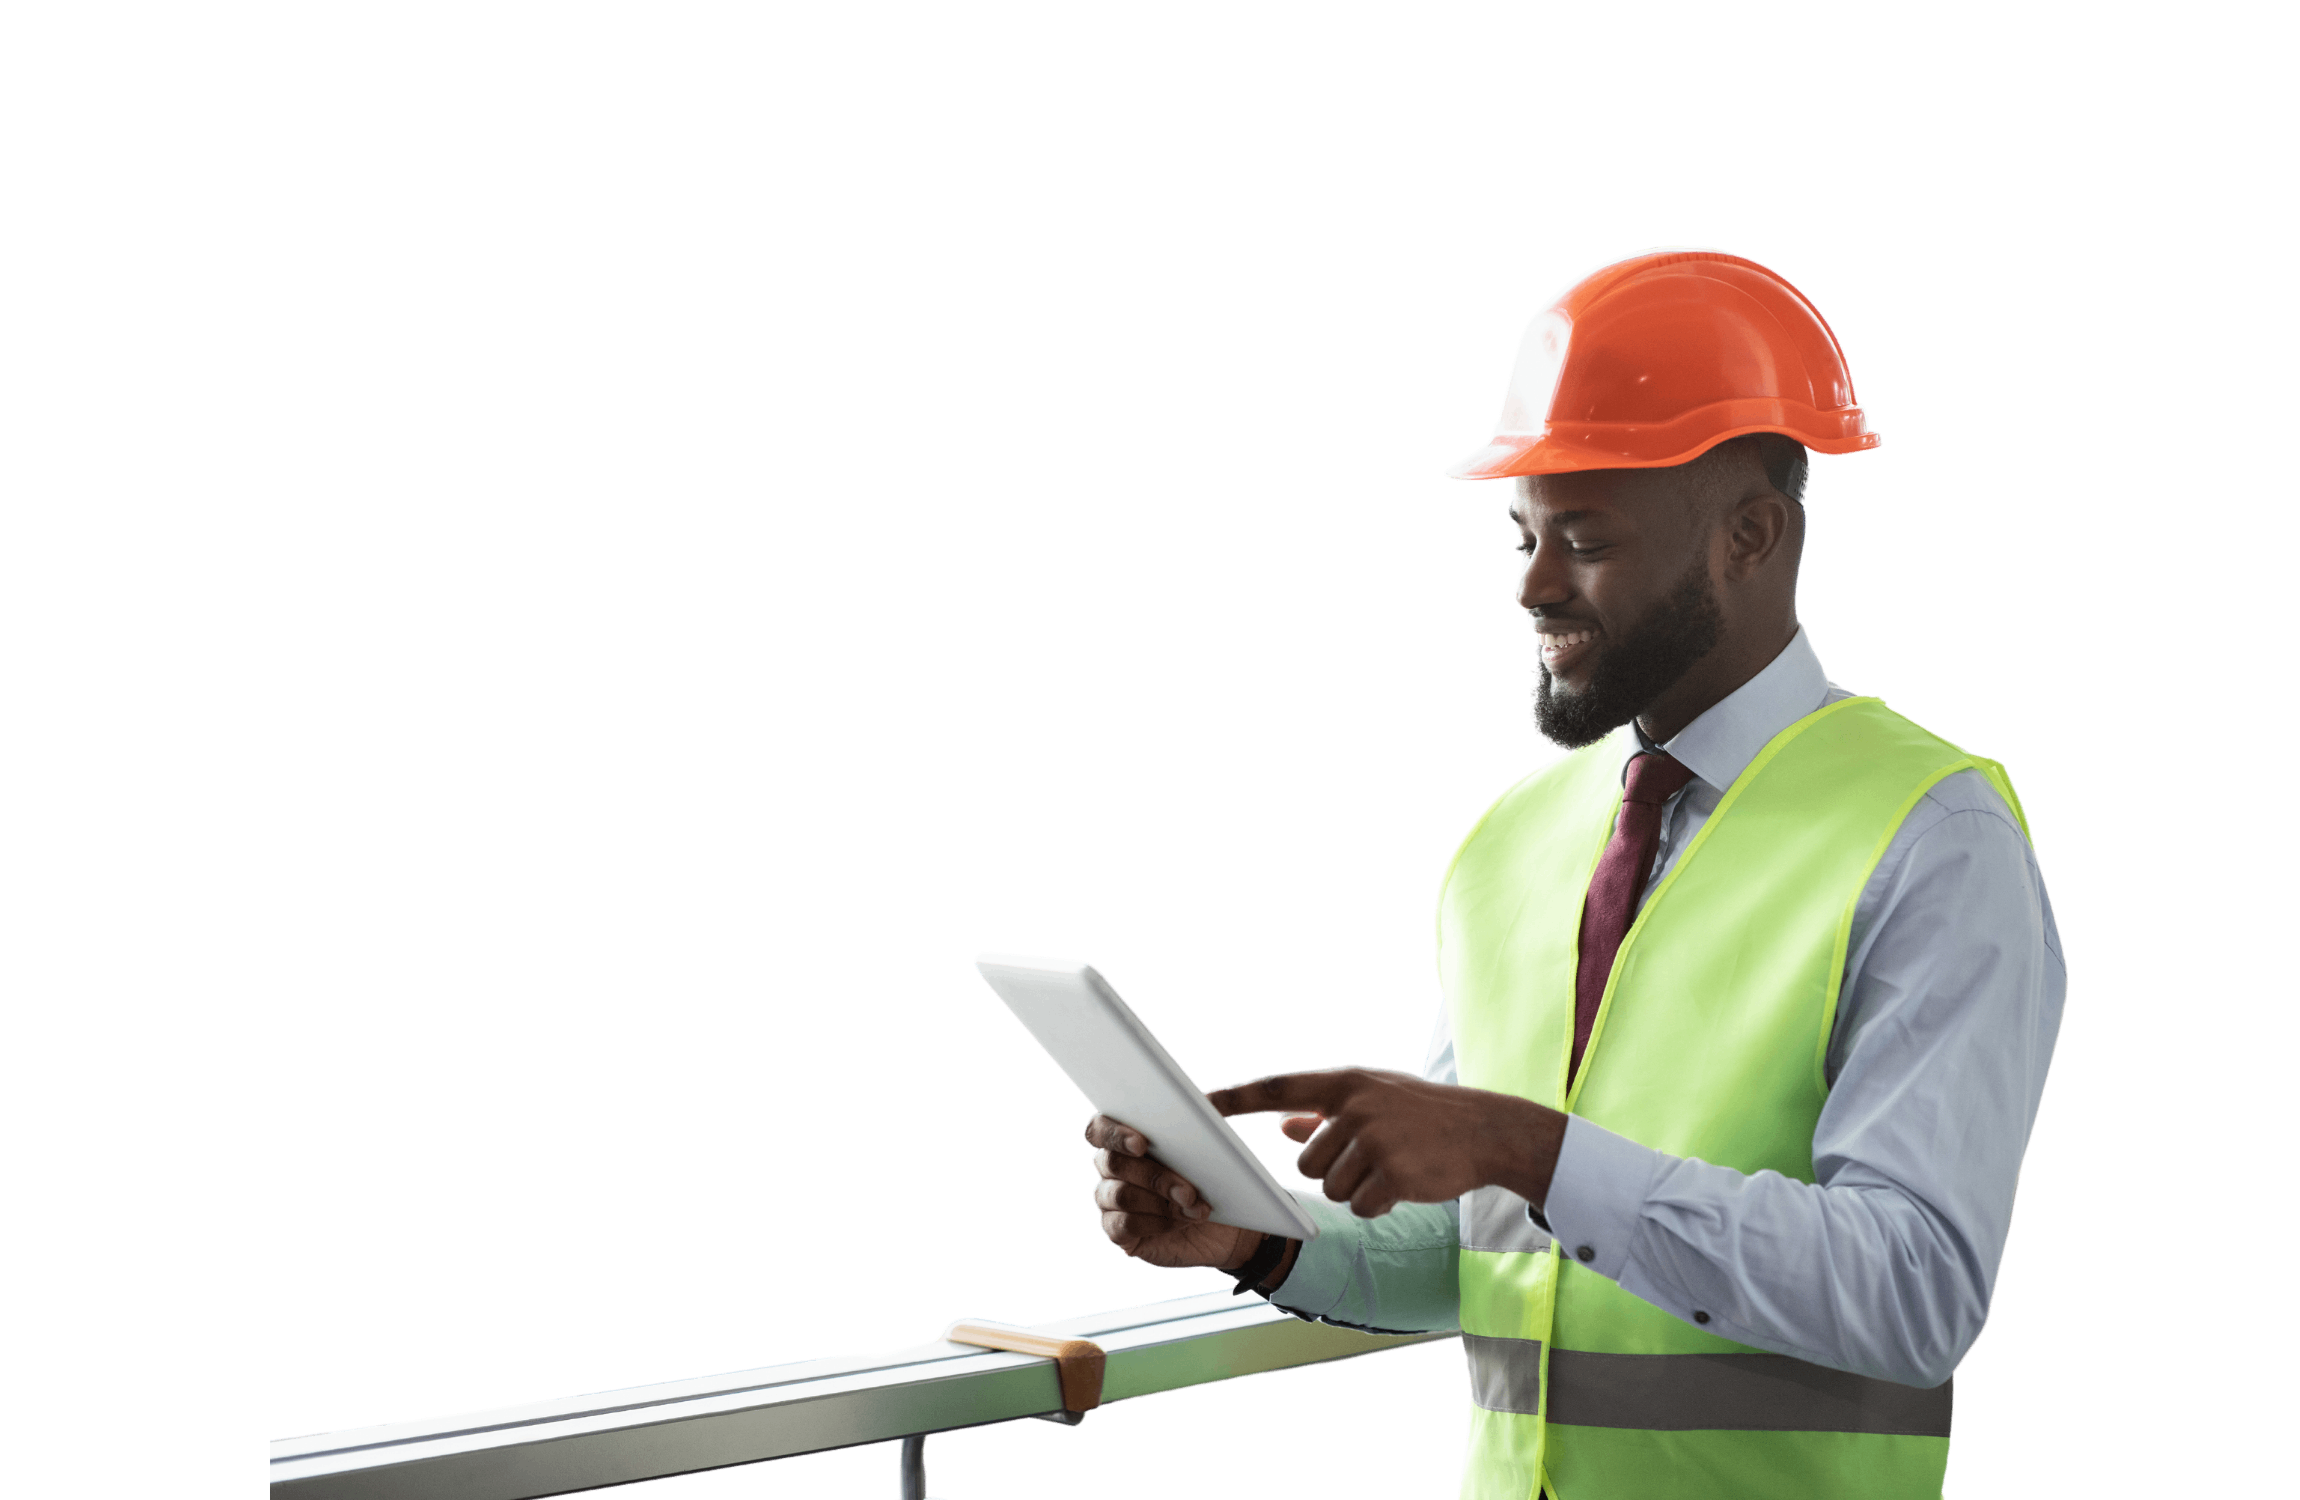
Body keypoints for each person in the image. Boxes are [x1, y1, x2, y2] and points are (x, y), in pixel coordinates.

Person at [1083, 247, 2063, 1500]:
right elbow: (1477, 1262)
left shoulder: (1929, 833)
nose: (1529, 586)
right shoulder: (1511, 842)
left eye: (1582, 541)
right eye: (1521, 535)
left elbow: (1912, 1291)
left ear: (1749, 536)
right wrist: (1261, 1237)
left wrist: (1527, 1149)